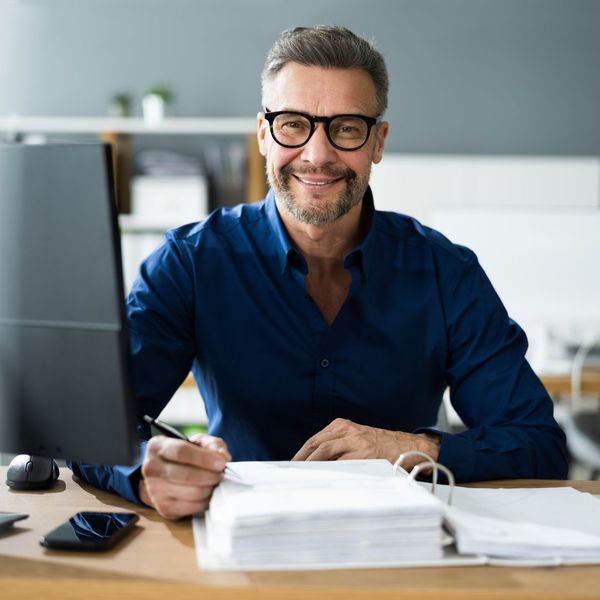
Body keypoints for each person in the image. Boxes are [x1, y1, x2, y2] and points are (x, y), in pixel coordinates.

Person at [72, 25, 568, 519]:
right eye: (293, 124)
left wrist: (411, 449)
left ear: (378, 141)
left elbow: (538, 446)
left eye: (347, 127)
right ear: (265, 134)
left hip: (402, 547)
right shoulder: (190, 260)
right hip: (237, 545)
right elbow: (90, 429)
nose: (318, 154)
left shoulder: (446, 271)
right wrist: (145, 471)